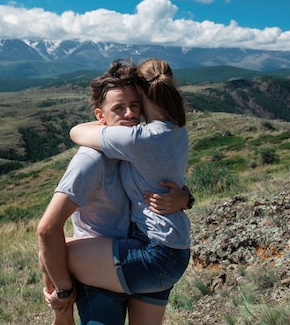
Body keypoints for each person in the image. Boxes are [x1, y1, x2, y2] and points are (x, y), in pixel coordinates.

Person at [37, 59, 192, 325]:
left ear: (145, 100)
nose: (130, 114)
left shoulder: (134, 142)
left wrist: (186, 198)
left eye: (134, 105)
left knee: (55, 251)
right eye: (119, 108)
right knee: (51, 249)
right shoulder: (95, 158)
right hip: (154, 255)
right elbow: (46, 230)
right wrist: (61, 301)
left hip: (141, 254)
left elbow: (76, 130)